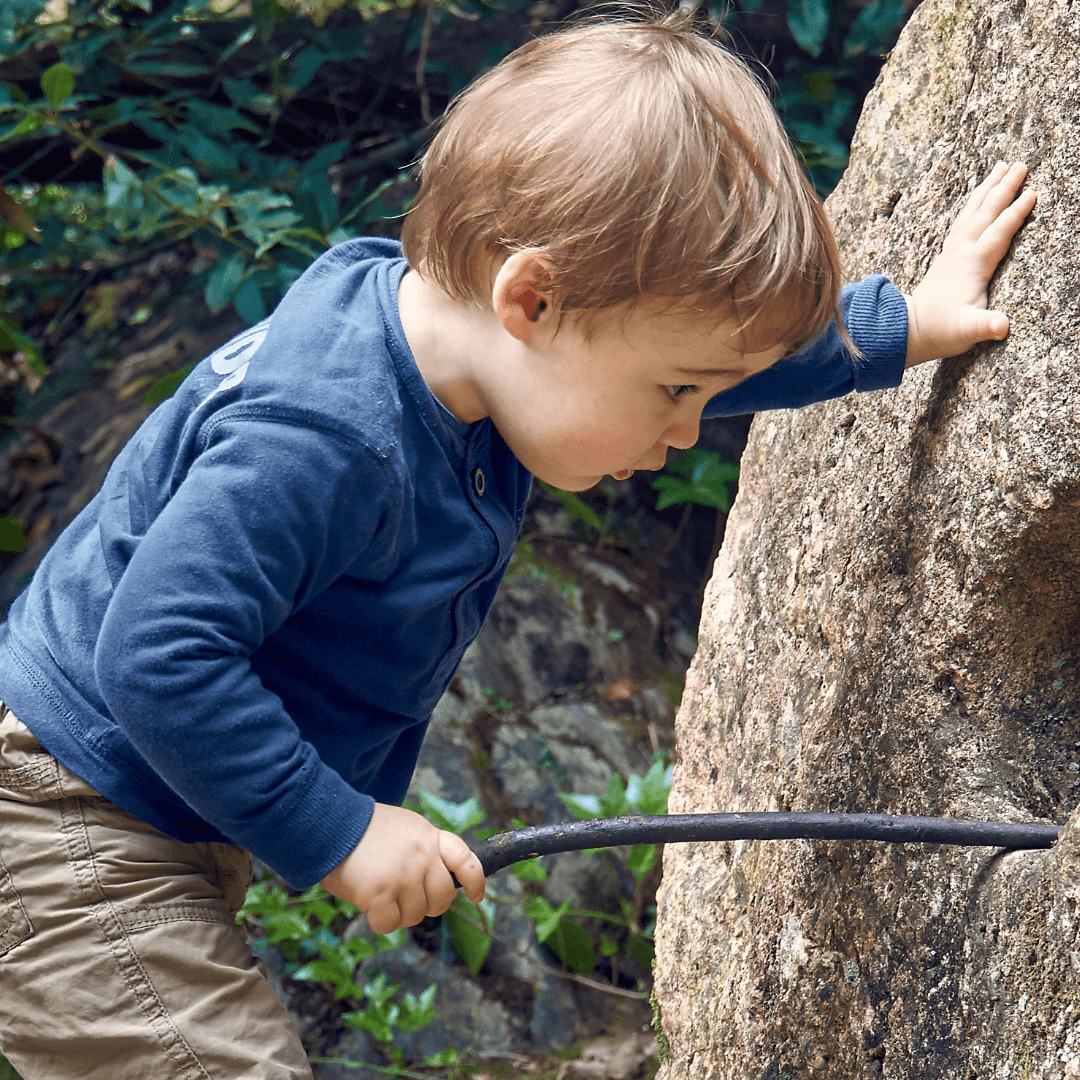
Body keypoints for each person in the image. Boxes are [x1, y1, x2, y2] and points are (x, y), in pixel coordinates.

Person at [0, 7, 1036, 1078]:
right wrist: (341, 831)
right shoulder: (328, 440)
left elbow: (706, 349)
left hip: (139, 813)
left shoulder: (468, 358)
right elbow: (155, 654)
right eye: (674, 396)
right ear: (530, 296)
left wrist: (902, 324)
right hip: (66, 826)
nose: (688, 430)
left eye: (700, 395)